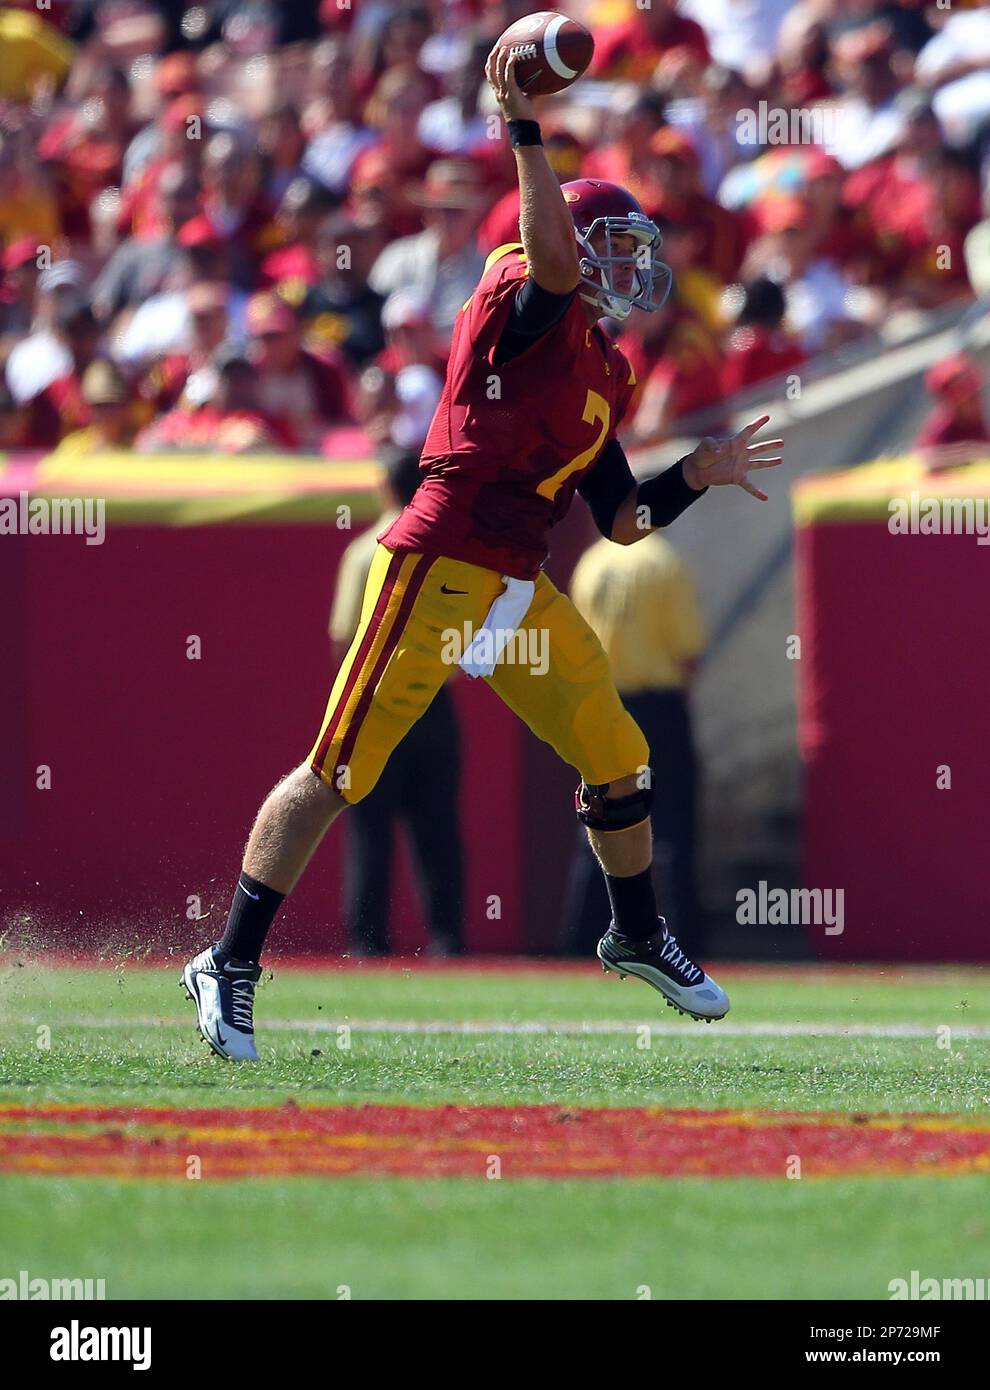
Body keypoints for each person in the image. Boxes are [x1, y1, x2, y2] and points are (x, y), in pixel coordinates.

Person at [181, 47, 784, 1061]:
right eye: (619, 248)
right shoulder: (526, 293)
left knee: (618, 754)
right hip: (436, 562)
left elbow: (625, 516)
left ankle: (635, 932)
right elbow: (546, 256)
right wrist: (524, 129)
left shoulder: (603, 367)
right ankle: (229, 959)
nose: (637, 268)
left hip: (513, 589)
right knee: (338, 771)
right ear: (577, 247)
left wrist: (699, 472)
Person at [330, 449, 465, 956]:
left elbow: (343, 636)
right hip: (432, 700)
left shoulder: (366, 551)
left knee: (370, 829)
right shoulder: (447, 549)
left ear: (386, 487)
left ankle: (368, 944)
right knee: (439, 830)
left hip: (376, 703)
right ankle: (447, 940)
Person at [564, 531, 707, 957]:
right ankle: (682, 939)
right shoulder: (664, 561)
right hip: (658, 704)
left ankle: (579, 942)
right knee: (675, 827)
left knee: (600, 821)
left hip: (605, 704)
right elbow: (688, 648)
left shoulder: (591, 563)